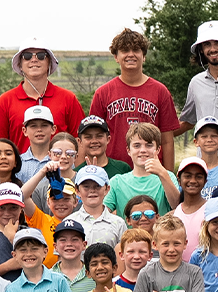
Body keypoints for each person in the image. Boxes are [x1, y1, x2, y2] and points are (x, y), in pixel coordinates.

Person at [91, 29, 179, 166]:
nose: (131, 55)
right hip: (114, 171)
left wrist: (168, 177)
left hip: (151, 170)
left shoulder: (160, 91)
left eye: (136, 50)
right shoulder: (103, 93)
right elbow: (93, 139)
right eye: (125, 50)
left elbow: (167, 140)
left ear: (143, 56)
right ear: (116, 56)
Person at [0, 39, 84, 153]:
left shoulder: (68, 99)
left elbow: (79, 142)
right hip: (19, 170)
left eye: (41, 56)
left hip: (60, 169)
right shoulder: (5, 101)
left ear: (49, 62)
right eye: (27, 56)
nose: (34, 60)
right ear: (20, 64)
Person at [104, 122, 180, 217]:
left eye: (149, 145)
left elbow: (178, 206)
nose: (143, 150)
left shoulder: (167, 176)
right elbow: (101, 212)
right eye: (137, 146)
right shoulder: (117, 182)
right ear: (128, 150)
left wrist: (162, 173)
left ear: (158, 149)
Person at [70, 166, 127, 248]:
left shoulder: (118, 223)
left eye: (97, 186)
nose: (92, 190)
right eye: (86, 186)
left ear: (107, 189)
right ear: (77, 190)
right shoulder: (71, 222)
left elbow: (123, 255)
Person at [77, 115, 133, 180]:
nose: (94, 141)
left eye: (99, 136)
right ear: (80, 141)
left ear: (108, 139)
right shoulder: (77, 173)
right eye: (88, 137)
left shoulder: (123, 169)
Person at [172, 158, 209, 254]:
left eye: (199, 176)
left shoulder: (210, 211)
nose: (193, 181)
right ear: (179, 180)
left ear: (205, 181)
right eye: (188, 176)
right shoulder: (173, 215)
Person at [16, 106, 59, 183]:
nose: (39, 130)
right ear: (24, 131)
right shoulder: (18, 162)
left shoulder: (62, 160)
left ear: (53, 129)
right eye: (33, 126)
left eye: (44, 125)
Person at [190, 117, 218, 192]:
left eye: (214, 136)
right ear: (196, 142)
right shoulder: (191, 168)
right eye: (204, 137)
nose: (209, 140)